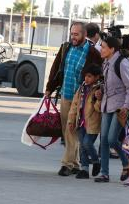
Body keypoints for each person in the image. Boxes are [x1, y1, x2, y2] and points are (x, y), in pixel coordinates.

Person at [44, 22, 102, 177]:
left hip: (83, 99)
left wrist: (97, 92)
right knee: (68, 131)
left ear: (83, 34)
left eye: (76, 34)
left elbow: (99, 74)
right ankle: (75, 163)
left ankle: (67, 164)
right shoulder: (66, 48)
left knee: (71, 130)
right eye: (72, 34)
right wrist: (50, 87)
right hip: (66, 94)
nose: (73, 37)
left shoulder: (92, 53)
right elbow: (56, 69)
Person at [95, 36, 129, 183]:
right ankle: (104, 173)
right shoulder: (106, 62)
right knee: (104, 140)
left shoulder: (121, 63)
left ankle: (126, 163)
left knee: (112, 139)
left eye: (104, 47)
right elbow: (108, 85)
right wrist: (100, 92)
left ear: (112, 49)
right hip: (106, 104)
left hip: (119, 107)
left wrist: (126, 106)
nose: (101, 49)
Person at [67, 63, 102, 179]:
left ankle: (96, 161)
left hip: (92, 123)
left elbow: (99, 108)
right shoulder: (81, 88)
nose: (86, 79)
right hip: (80, 122)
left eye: (90, 76)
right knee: (82, 146)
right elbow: (74, 105)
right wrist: (71, 120)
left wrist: (99, 99)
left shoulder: (99, 89)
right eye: (85, 76)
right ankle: (85, 170)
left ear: (97, 77)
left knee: (87, 143)